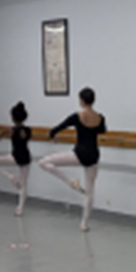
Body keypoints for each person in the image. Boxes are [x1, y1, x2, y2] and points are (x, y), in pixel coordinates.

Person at [39, 87, 106, 231]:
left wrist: (54, 136)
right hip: (94, 156)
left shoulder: (77, 116)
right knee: (90, 192)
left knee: (43, 162)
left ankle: (70, 182)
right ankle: (84, 224)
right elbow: (102, 130)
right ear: (93, 101)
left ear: (81, 101)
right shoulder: (100, 117)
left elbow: (56, 128)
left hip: (79, 154)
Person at [0, 101, 32, 216]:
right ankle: (20, 209)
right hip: (26, 157)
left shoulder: (10, 129)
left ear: (12, 118)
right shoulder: (28, 130)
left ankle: (10, 176)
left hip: (15, 157)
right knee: (24, 184)